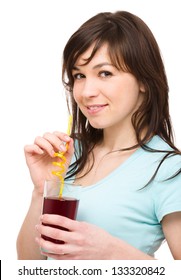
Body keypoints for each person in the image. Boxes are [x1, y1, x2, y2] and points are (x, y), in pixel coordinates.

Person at [16, 10, 181, 260]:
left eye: (105, 73)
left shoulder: (169, 170)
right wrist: (41, 191)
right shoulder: (68, 154)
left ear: (144, 80)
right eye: (79, 75)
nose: (86, 91)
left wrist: (112, 252)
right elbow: (28, 265)